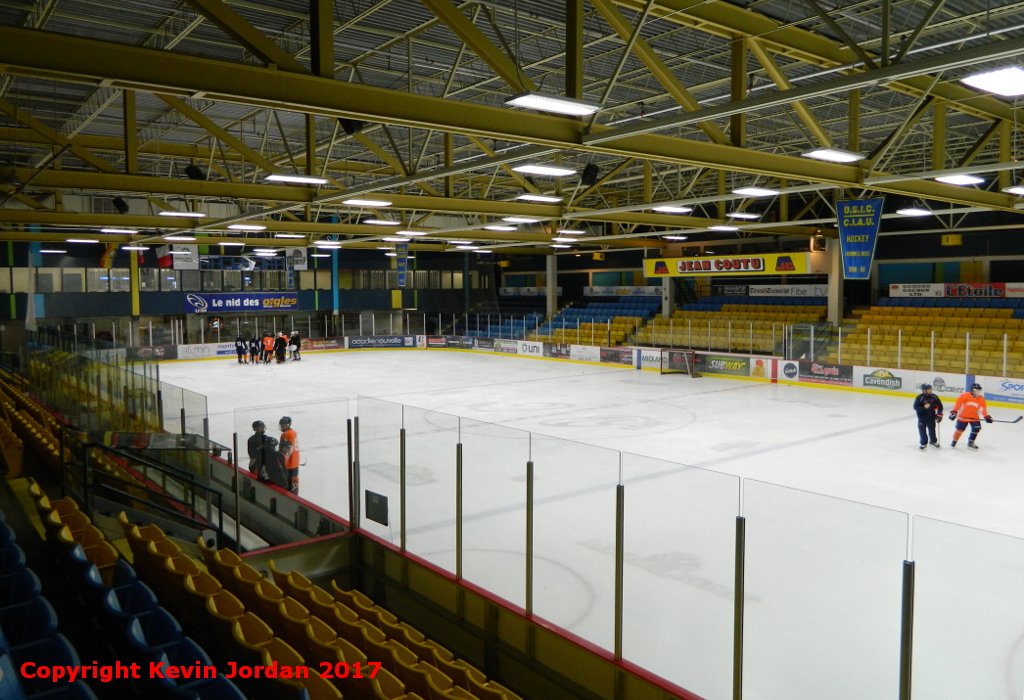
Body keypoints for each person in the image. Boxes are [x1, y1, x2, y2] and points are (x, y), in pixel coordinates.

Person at [949, 383, 993, 450]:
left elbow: (983, 408)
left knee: (976, 429)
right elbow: (958, 404)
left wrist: (986, 416)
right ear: (972, 390)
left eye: (979, 391)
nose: (978, 392)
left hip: (974, 417)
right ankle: (954, 442)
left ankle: (971, 442)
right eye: (976, 391)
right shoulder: (964, 396)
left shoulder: (981, 398)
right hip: (963, 417)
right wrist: (954, 412)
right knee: (959, 430)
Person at [912, 383, 943, 450]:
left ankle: (933, 441)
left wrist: (939, 414)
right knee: (922, 431)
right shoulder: (920, 397)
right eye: (928, 389)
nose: (930, 390)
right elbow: (915, 407)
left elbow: (940, 406)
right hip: (922, 418)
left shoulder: (934, 397)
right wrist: (924, 408)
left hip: (931, 416)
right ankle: (923, 443)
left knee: (932, 429)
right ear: (924, 390)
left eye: (930, 389)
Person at [279, 416, 300, 493]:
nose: (282, 427)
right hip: (295, 462)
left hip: (288, 463)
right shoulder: (293, 432)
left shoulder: (286, 434)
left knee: (287, 485)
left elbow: (286, 450)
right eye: (281, 425)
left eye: (283, 425)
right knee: (294, 484)